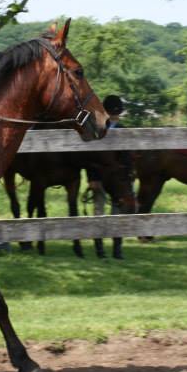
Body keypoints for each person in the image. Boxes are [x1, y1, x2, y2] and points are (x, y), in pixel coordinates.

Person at [85, 94, 128, 258]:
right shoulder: (98, 129)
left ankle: (117, 249)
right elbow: (91, 157)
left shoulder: (123, 130)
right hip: (100, 177)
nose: (115, 116)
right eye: (113, 113)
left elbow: (126, 157)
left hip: (117, 179)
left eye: (117, 113)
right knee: (99, 211)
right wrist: (92, 179)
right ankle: (100, 250)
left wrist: (127, 176)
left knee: (118, 212)